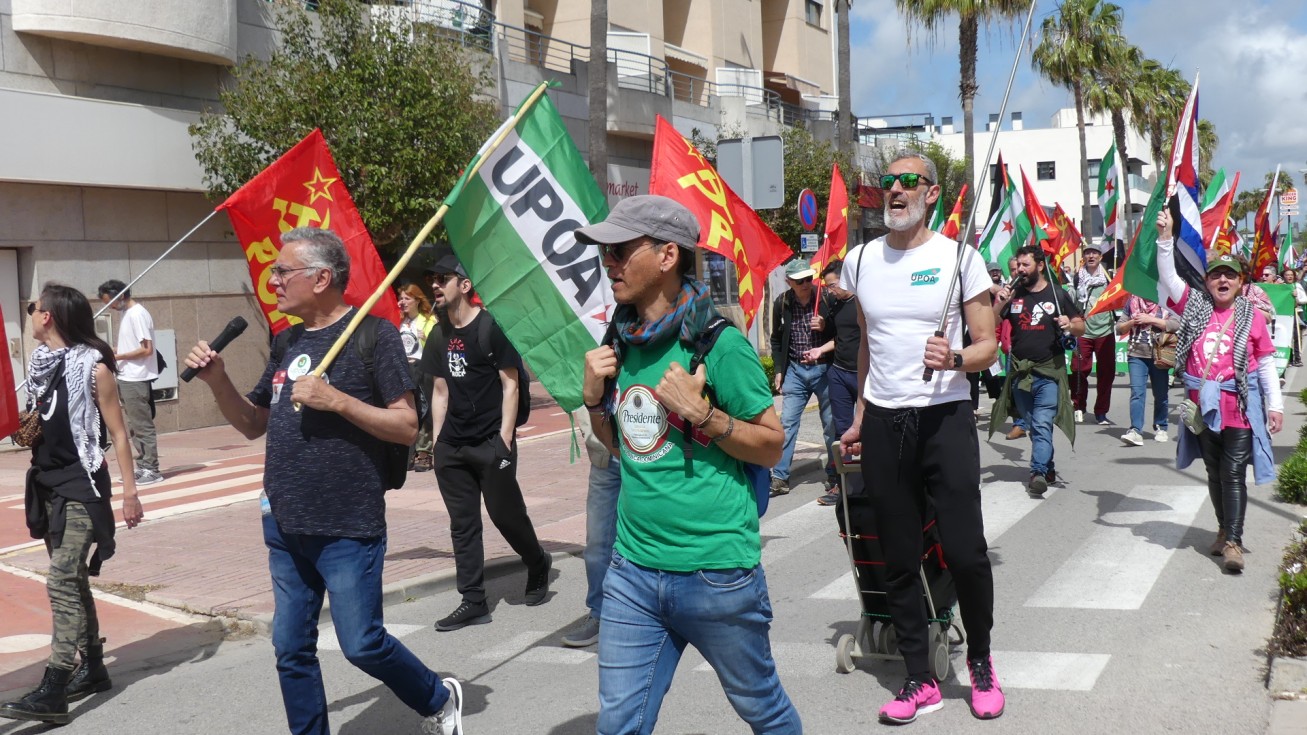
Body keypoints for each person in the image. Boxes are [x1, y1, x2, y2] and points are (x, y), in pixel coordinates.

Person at [182, 228, 463, 734]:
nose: (272, 281)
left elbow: (406, 427)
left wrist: (336, 400)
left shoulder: (374, 336)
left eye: (282, 272)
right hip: (284, 522)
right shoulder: (286, 341)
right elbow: (252, 423)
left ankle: (438, 697)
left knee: (362, 644)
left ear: (321, 278)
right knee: (291, 648)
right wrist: (217, 380)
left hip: (346, 525)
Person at [576, 194, 802, 734]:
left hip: (715, 573)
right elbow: (624, 447)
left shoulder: (719, 344)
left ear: (667, 255)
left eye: (619, 251)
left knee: (762, 709)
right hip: (632, 572)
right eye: (605, 253)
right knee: (618, 725)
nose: (608, 264)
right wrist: (593, 401)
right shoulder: (619, 340)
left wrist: (703, 415)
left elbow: (772, 446)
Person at [840, 154, 1004, 724]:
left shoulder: (960, 259)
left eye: (908, 181)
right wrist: (860, 412)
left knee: (965, 552)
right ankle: (919, 678)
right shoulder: (860, 260)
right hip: (885, 422)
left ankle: (980, 661)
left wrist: (955, 357)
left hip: (944, 418)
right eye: (888, 181)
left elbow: (988, 344)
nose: (895, 190)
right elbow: (868, 343)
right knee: (898, 558)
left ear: (931, 193)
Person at [0, 285, 144, 726]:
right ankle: (94, 665)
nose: (30, 313)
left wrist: (130, 492)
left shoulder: (94, 368)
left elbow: (118, 433)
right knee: (75, 581)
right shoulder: (41, 366)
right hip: (48, 484)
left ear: (48, 316)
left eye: (33, 308)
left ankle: (55, 684)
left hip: (83, 487)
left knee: (61, 579)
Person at [422, 253, 551, 632]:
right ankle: (473, 600)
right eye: (433, 279)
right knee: (462, 524)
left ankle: (537, 561)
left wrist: (504, 441)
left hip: (491, 443)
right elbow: (440, 391)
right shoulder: (438, 334)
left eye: (443, 278)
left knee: (505, 515)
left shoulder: (491, 327)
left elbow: (511, 385)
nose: (435, 285)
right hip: (453, 447)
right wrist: (438, 445)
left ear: (464, 285)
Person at [1155, 209, 1283, 573]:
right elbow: (1169, 277)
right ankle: (1223, 527)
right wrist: (1165, 238)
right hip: (1200, 407)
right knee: (1213, 472)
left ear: (1240, 282)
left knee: (1233, 472)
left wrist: (1275, 406)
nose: (1222, 279)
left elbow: (1266, 364)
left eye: (1230, 275)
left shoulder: (1252, 315)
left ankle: (1233, 542)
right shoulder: (1195, 305)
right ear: (1207, 281)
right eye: (1216, 275)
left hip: (1239, 406)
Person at [991, 245, 1085, 496]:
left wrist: (1069, 324)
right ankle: (1048, 466)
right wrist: (999, 303)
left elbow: (1080, 326)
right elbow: (991, 323)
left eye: (1025, 265)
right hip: (1020, 373)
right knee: (1034, 425)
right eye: (1018, 266)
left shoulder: (1057, 293)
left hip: (1048, 372)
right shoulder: (1014, 294)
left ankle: (1038, 473)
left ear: (1040, 266)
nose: (1019, 270)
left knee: (1042, 422)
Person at [768, 258, 838, 497]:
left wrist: (825, 326)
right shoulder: (782, 303)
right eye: (800, 281)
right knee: (787, 423)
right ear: (789, 282)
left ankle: (834, 474)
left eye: (809, 278)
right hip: (796, 371)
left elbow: (842, 332)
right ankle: (780, 477)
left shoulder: (825, 298)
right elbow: (777, 339)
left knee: (830, 424)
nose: (806, 284)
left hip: (824, 369)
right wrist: (779, 370)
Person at [560, 418, 620, 648]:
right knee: (597, 542)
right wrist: (590, 430)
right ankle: (600, 614)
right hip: (607, 455)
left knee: (660, 534)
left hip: (655, 456)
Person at [96, 280, 162, 485]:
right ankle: (144, 465)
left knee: (142, 424)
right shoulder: (127, 314)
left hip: (136, 377)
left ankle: (152, 468)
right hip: (127, 376)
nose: (110, 307)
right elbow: (132, 345)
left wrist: (117, 356)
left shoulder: (137, 314)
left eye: (111, 302)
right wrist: (112, 351)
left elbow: (146, 349)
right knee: (134, 424)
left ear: (120, 296)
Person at [809, 260, 859, 506]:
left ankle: (871, 480)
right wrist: (820, 349)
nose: (830, 291)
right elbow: (840, 338)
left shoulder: (864, 303)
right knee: (841, 430)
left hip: (863, 374)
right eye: (828, 286)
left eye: (833, 285)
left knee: (871, 427)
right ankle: (843, 484)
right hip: (838, 372)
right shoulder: (836, 305)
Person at [1116, 295, 1179, 445]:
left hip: (1160, 354)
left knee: (1161, 393)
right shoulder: (1132, 301)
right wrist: (1132, 321)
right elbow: (1119, 328)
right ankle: (1136, 430)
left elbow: (1176, 324)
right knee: (1137, 392)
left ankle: (1161, 426)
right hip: (1136, 354)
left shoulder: (1166, 300)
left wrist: (1151, 320)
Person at [1069, 242, 1116, 425]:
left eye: (1095, 253)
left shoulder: (1109, 279)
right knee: (1078, 371)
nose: (1091, 256)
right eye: (1088, 253)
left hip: (1105, 331)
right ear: (1084, 257)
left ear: (1100, 257)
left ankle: (1101, 411)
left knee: (1106, 373)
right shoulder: (1077, 278)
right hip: (1083, 332)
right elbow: (1071, 303)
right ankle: (1079, 406)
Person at [397, 284, 438, 471]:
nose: (403, 302)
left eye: (407, 298)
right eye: (401, 298)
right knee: (409, 410)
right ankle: (410, 452)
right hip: (405, 369)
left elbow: (438, 347)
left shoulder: (428, 321)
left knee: (425, 409)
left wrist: (427, 338)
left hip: (424, 369)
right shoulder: (400, 322)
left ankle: (424, 451)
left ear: (417, 300)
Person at [1285, 268, 1305, 367]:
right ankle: (1288, 358)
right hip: (1285, 315)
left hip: (1296, 314)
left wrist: (1296, 297)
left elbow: (1304, 299)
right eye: (1287, 275)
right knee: (1287, 337)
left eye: (1291, 275)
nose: (1289, 277)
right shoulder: (1282, 287)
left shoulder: (1297, 286)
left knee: (1296, 336)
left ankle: (1297, 358)